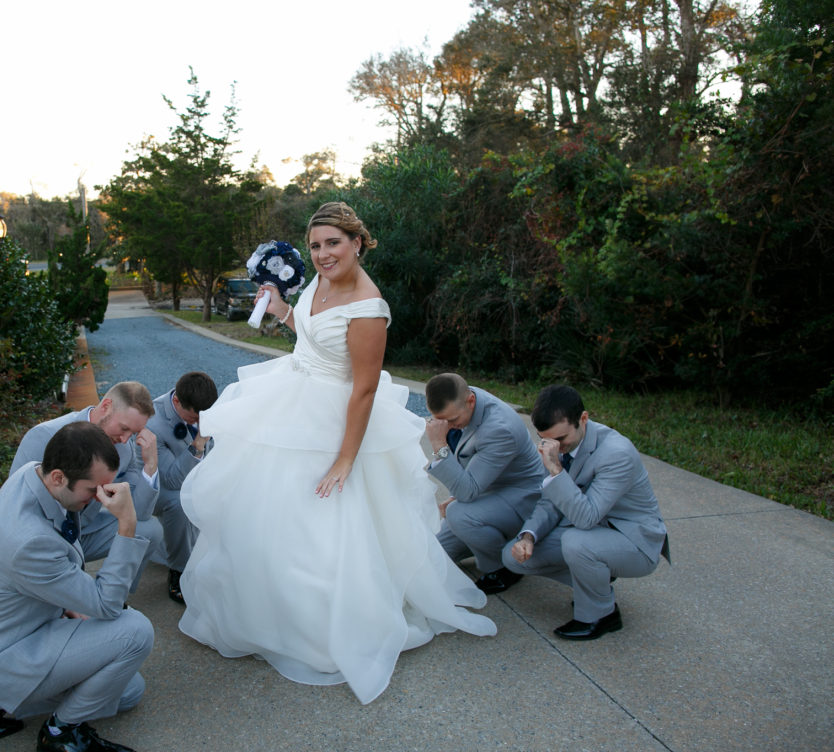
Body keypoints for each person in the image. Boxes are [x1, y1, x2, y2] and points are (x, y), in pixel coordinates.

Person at [178, 202, 496, 704]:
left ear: (358, 242)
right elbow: (311, 338)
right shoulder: (320, 283)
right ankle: (267, 614)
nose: (323, 254)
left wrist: (346, 457)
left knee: (323, 523)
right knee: (267, 513)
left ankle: (322, 627)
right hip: (291, 398)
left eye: (333, 243)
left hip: (333, 421)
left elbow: (363, 391)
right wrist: (285, 312)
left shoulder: (369, 308)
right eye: (316, 245)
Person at [0, 421, 153, 752]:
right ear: (57, 477)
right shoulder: (28, 540)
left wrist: (66, 601)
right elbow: (107, 604)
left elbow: (35, 575)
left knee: (129, 690)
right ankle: (60, 733)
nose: (99, 499)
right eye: (93, 489)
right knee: (136, 631)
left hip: (0, 636)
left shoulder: (29, 474)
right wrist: (127, 523)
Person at [501, 384, 671, 640]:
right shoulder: (558, 445)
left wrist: (557, 471)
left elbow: (587, 517)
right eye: (546, 439)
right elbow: (550, 502)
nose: (554, 448)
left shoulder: (616, 454)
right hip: (589, 532)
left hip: (634, 539)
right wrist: (528, 537)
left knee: (576, 543)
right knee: (512, 557)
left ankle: (601, 614)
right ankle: (595, 579)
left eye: (560, 440)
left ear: (583, 419)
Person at [10, 382, 164, 592]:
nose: (126, 439)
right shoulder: (44, 436)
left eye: (134, 433)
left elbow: (142, 513)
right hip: (43, 538)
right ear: (106, 406)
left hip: (85, 531)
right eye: (124, 428)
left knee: (150, 530)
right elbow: (15, 506)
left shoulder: (125, 448)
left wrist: (151, 465)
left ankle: (116, 598)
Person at [424, 372, 544, 594]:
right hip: (488, 492)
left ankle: (505, 567)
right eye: (440, 421)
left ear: (470, 401)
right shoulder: (464, 402)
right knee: (432, 555)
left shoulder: (500, 429)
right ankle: (482, 538)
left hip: (521, 500)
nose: (447, 427)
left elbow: (468, 492)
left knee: (459, 514)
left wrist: (439, 445)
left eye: (452, 421)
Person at [145, 371, 217, 605]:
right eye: (193, 418)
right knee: (179, 501)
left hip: (194, 478)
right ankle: (178, 570)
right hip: (153, 489)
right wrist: (198, 444)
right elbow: (172, 480)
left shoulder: (202, 410)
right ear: (176, 401)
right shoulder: (155, 424)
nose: (198, 423)